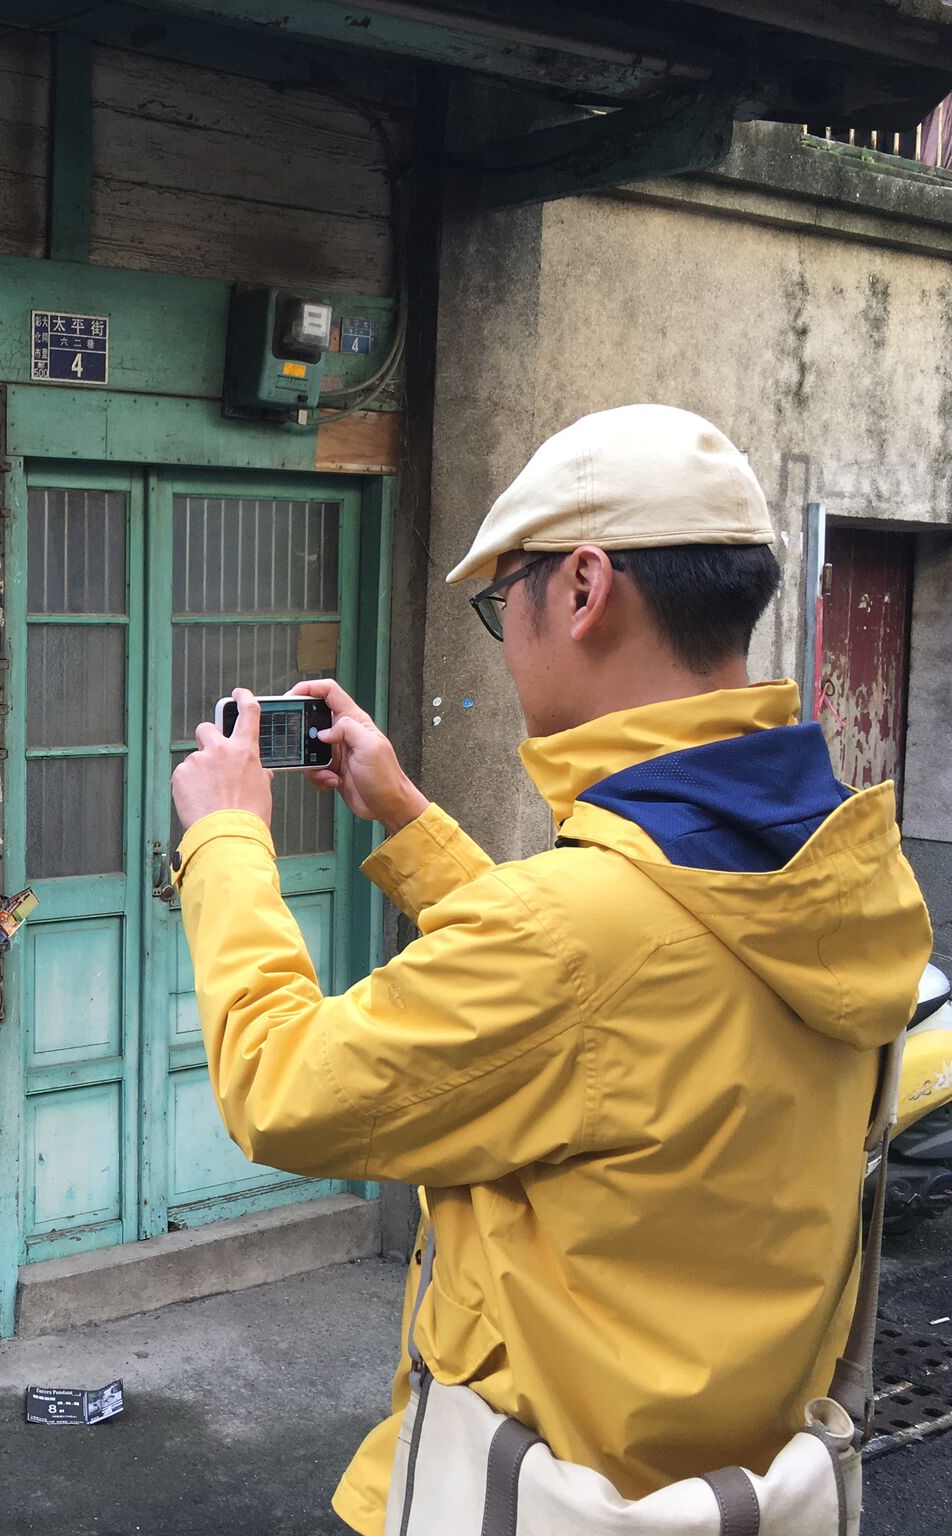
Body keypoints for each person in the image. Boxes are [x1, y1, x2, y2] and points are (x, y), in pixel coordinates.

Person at [168, 404, 932, 1535]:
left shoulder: (575, 931)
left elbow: (282, 1084)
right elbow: (604, 988)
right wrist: (402, 810)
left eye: (499, 600)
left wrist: (224, 835)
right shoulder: (834, 867)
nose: (505, 630)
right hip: (734, 1489)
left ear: (579, 588)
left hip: (534, 1496)